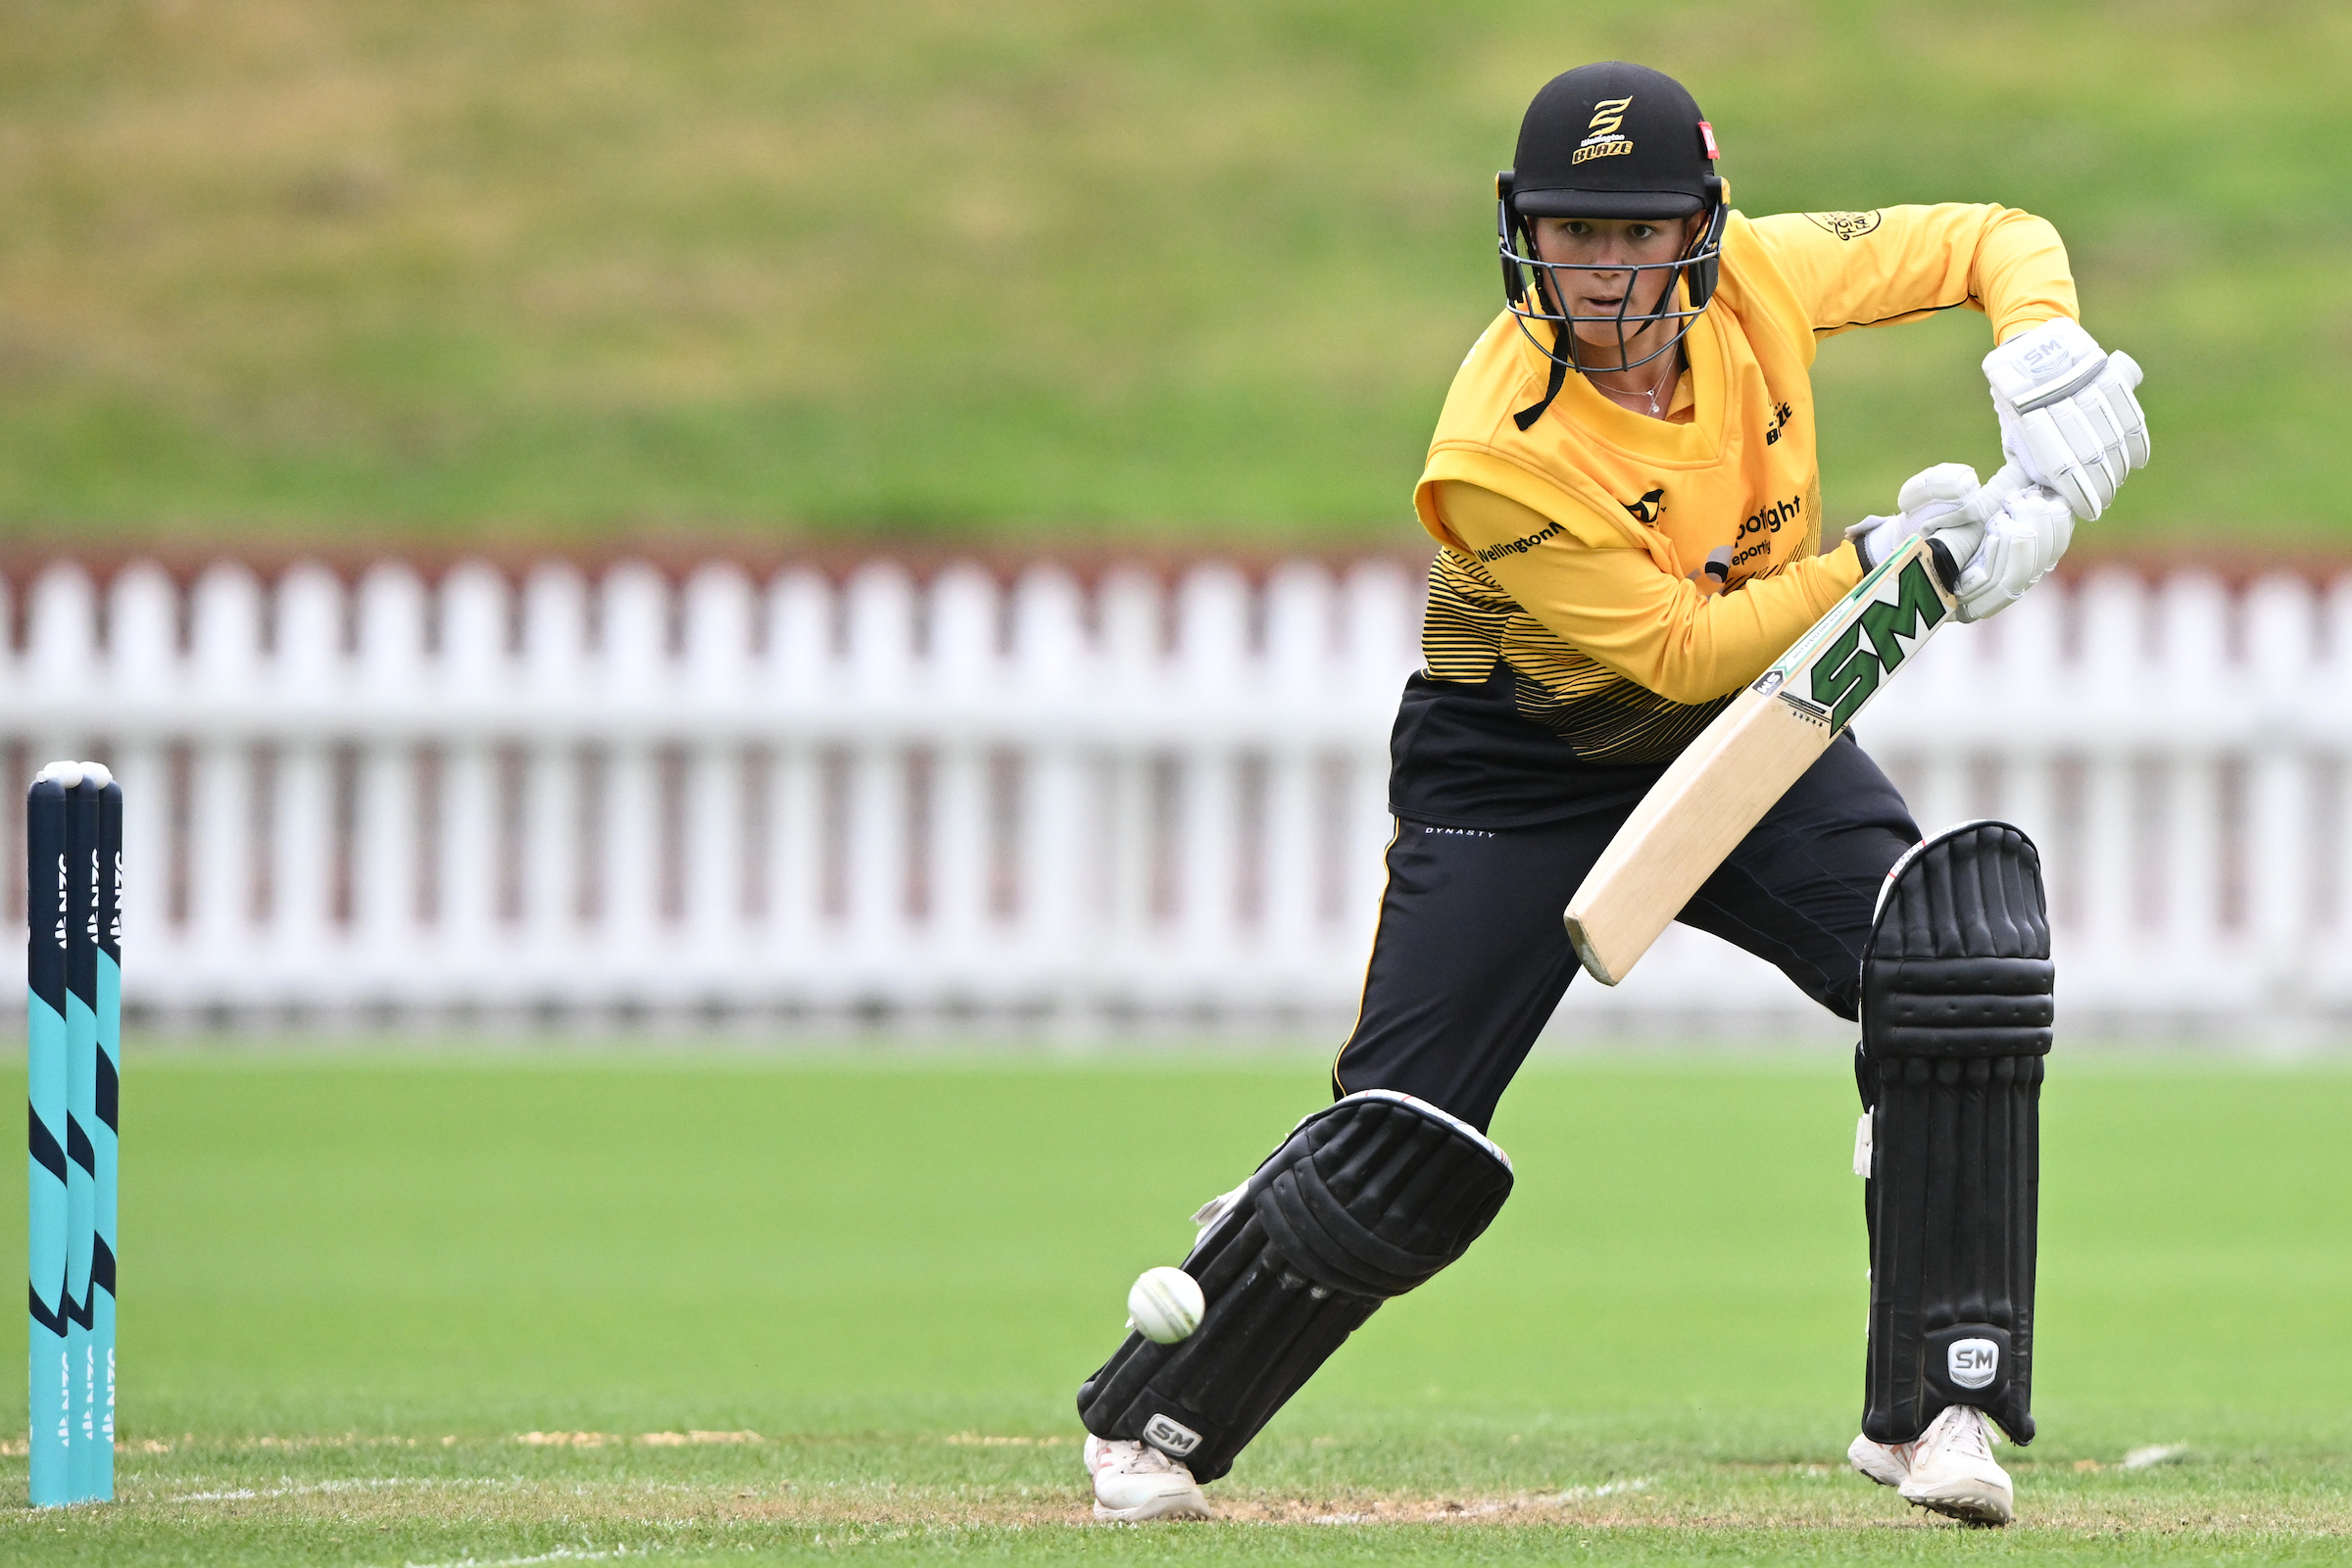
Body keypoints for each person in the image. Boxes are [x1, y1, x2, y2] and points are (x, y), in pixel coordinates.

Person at [1075, 61, 2148, 1528]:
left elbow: (1991, 237)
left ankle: (1935, 1409)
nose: (1604, 270)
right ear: (1524, 230)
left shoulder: (1763, 276)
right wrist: (1899, 563)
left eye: (1638, 232)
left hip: (1752, 736)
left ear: (1702, 226)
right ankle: (1154, 1418)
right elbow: (1672, 647)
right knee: (1400, 1137)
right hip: (1520, 763)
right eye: (1573, 232)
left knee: (1947, 976)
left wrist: (2043, 347)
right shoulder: (1496, 447)